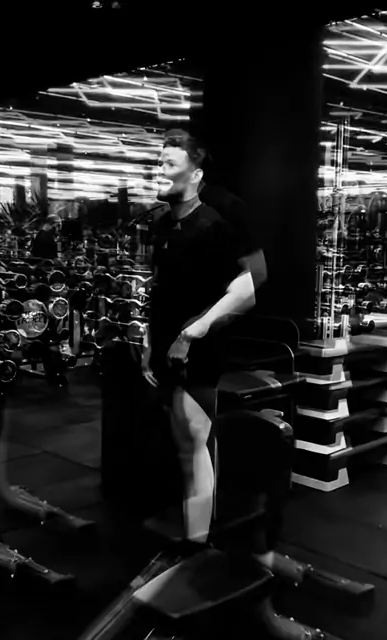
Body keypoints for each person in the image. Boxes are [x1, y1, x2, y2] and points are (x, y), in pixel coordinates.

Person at [142, 129, 264, 544]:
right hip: (165, 351)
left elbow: (247, 289)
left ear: (195, 174)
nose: (160, 171)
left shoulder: (212, 224)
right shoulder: (162, 224)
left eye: (169, 164)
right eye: (159, 162)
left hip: (196, 352)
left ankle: (198, 542)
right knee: (182, 442)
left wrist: (194, 331)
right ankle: (194, 527)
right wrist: (149, 343)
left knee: (196, 443)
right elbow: (160, 290)